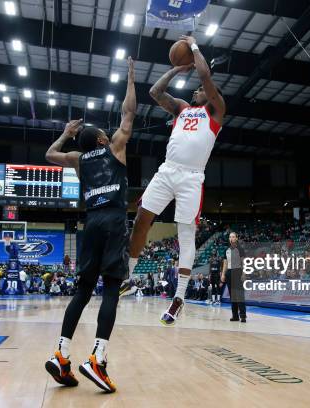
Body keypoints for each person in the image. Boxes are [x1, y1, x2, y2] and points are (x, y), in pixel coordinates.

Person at [43, 57, 136, 393]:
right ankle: (98, 357)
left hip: (91, 224)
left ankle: (62, 353)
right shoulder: (114, 148)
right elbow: (128, 113)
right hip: (112, 220)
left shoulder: (78, 160)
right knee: (112, 288)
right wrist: (130, 76)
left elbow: (50, 155)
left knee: (82, 291)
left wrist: (66, 134)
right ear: (101, 140)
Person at [127, 35, 226, 326]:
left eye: (200, 90)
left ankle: (179, 298)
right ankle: (128, 278)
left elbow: (206, 76)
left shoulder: (217, 110)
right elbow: (155, 91)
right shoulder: (182, 108)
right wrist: (175, 69)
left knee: (186, 236)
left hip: (192, 178)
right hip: (168, 170)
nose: (197, 90)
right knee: (141, 220)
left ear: (211, 95)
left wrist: (194, 47)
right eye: (195, 89)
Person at [221, 232, 247, 323]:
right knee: (233, 296)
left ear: (236, 238)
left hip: (238, 272)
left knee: (239, 295)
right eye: (230, 237)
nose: (231, 238)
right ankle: (235, 316)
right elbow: (225, 263)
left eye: (233, 237)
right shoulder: (226, 250)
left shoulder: (240, 249)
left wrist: (244, 273)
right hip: (229, 273)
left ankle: (243, 316)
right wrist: (223, 274)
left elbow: (244, 263)